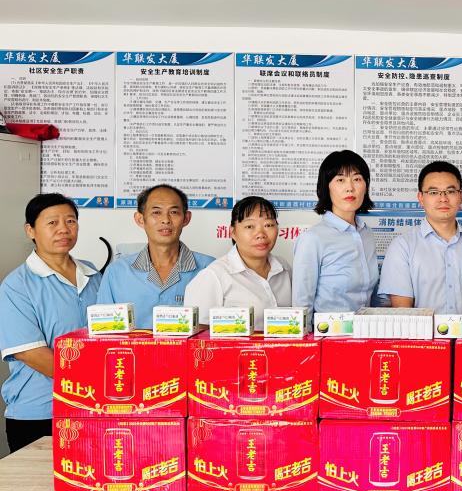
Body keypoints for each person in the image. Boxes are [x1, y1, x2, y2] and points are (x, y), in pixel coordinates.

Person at [0, 194, 101, 452]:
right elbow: (31, 353)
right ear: (30, 230)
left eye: (70, 221)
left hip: (94, 410)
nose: (63, 229)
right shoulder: (17, 285)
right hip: (40, 412)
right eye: (52, 222)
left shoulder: (93, 275)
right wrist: (98, 382)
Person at [379, 161, 462, 325]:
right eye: (433, 192)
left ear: (460, 196)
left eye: (450, 191)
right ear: (421, 198)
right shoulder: (403, 246)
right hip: (421, 338)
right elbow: (403, 310)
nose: (443, 199)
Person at [96, 184, 213, 328]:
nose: (165, 220)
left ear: (186, 218)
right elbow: (102, 331)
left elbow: (222, 330)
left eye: (174, 212)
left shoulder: (210, 269)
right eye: (156, 212)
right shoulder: (116, 272)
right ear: (140, 219)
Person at [184, 196, 291, 331]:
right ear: (233, 232)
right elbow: (196, 330)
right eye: (249, 226)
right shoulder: (214, 275)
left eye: (268, 225)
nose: (261, 234)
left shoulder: (284, 268)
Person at [293, 150, 381, 312]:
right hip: (326, 328)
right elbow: (301, 305)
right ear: (326, 187)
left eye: (357, 179)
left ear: (365, 186)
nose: (350, 188)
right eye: (340, 180)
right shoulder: (312, 239)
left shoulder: (366, 234)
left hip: (365, 326)